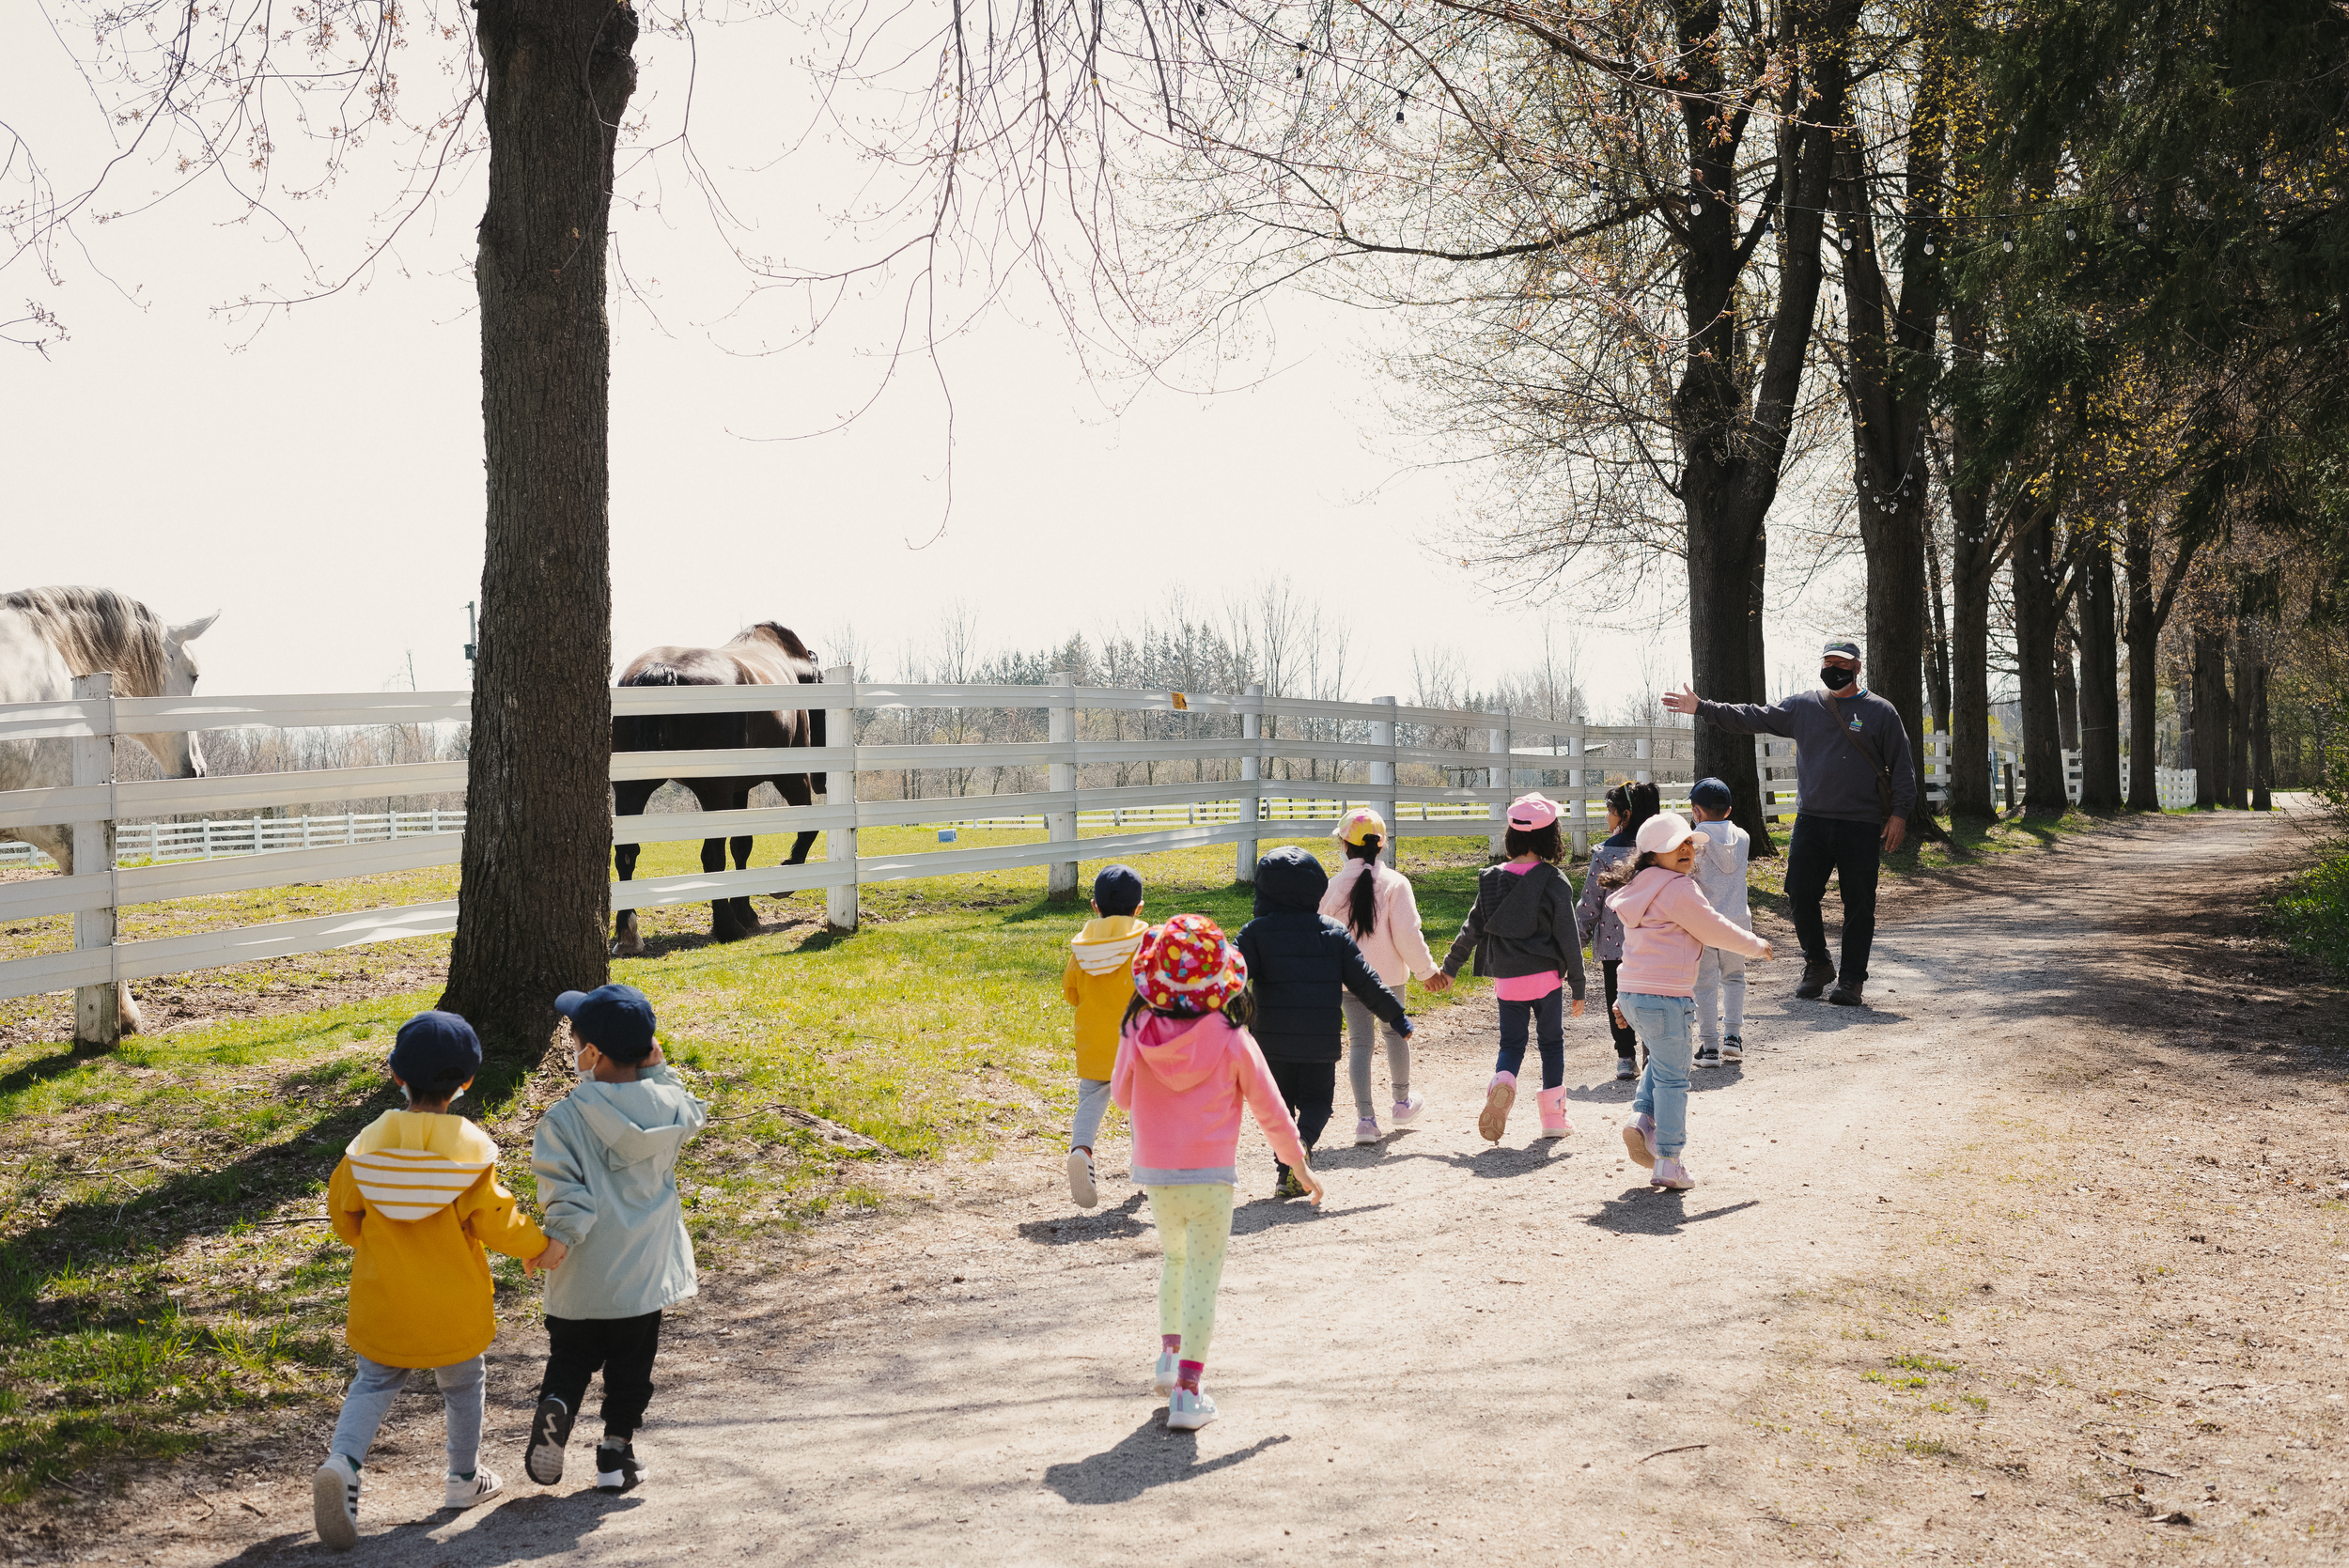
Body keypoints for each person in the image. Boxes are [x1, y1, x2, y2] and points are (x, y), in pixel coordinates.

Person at [313, 1012, 563, 1552]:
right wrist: (539, 1248)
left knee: (373, 1383)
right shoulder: (466, 1155)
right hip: (453, 1305)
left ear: (395, 1075)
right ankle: (462, 1478)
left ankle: (343, 1463)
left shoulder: (366, 1148)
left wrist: (366, 1241)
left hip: (384, 1299)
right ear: (467, 1082)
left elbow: (342, 1211)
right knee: (463, 1383)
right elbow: (497, 1220)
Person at [1112, 913, 1319, 1432]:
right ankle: (1187, 1389)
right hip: (1210, 1180)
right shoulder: (1232, 1038)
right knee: (1203, 1276)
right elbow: (1271, 1110)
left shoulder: (1137, 1028)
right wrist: (1300, 1167)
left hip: (1156, 1176)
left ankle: (1168, 1355)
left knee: (1174, 1261)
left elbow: (1119, 1095)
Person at [523, 984, 708, 1496]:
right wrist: (660, 1072)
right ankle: (615, 1453)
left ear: (594, 1054)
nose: (571, 1047)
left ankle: (559, 1402)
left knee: (571, 1355)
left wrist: (558, 1237)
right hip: (643, 1275)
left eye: (574, 1038)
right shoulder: (671, 1105)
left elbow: (566, 1193)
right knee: (632, 1367)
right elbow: (693, 1109)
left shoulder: (562, 1120)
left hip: (582, 1273)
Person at [1663, 638, 1915, 1007]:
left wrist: (1900, 814)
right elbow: (1753, 715)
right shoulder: (1805, 706)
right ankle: (1817, 963)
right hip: (1812, 819)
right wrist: (1703, 708)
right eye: (1828, 662)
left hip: (1860, 823)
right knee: (1799, 893)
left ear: (1857, 667)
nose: (1833, 669)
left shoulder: (1881, 712)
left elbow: (1904, 767)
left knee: (1859, 903)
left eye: (1841, 664)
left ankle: (1851, 980)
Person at [1604, 813, 1774, 1189]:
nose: (1685, 850)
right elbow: (1714, 928)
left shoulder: (1638, 889)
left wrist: (1623, 998)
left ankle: (1642, 1118)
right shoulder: (1679, 889)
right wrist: (1755, 945)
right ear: (1651, 855)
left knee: (1664, 1062)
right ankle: (1668, 1158)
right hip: (1666, 999)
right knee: (1675, 1078)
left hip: (1634, 995)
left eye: (1687, 844)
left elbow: (1633, 949)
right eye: (1674, 846)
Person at [1237, 846, 1415, 1196]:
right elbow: (1366, 982)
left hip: (1271, 1044)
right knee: (1319, 1104)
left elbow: (1230, 977)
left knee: (1279, 1109)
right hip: (1320, 1043)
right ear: (1316, 887)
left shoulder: (1255, 933)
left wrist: (1221, 1021)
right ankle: (1302, 1144)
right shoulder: (1333, 933)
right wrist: (1397, 1017)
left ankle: (1286, 1167)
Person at [1440, 793, 1590, 1144]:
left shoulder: (1491, 879)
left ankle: (1503, 1082)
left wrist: (1450, 968)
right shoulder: (1554, 881)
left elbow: (1471, 927)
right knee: (1551, 1044)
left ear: (1511, 836)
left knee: (1511, 1044)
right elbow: (1569, 938)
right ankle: (1553, 1118)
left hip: (1507, 980)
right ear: (1550, 838)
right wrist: (1579, 986)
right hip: (1546, 979)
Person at [1317, 809, 1452, 1146]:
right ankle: (1402, 1102)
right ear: (1381, 846)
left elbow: (1321, 931)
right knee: (1394, 1036)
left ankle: (1365, 1120)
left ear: (1343, 845)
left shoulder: (1331, 887)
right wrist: (1426, 972)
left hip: (1349, 980)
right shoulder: (1396, 884)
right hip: (1390, 979)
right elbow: (1408, 934)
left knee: (1360, 1044)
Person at [1061, 863, 1149, 1207]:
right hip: (1139, 1043)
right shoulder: (1145, 942)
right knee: (1143, 1104)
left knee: (1090, 1101)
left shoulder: (1082, 947)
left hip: (1095, 1044)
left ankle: (1081, 1150)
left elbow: (1072, 992)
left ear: (1095, 906)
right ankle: (1144, 1164)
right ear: (1139, 907)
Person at [1576, 781, 1660, 1080]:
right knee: (1652, 996)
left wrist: (1577, 941)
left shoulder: (1605, 853)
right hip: (1654, 942)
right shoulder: (1658, 852)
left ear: (1625, 815)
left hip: (1614, 946)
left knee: (1617, 999)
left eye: (1610, 811)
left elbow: (1590, 903)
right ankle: (1653, 1052)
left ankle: (1626, 1057)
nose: (1607, 816)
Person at [1687, 777, 1752, 1067]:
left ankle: (1709, 1046)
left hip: (1705, 923)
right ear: (1727, 810)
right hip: (1738, 921)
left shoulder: (1694, 840)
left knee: (1705, 983)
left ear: (1696, 811)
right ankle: (1733, 1038)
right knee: (1734, 977)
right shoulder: (1744, 837)